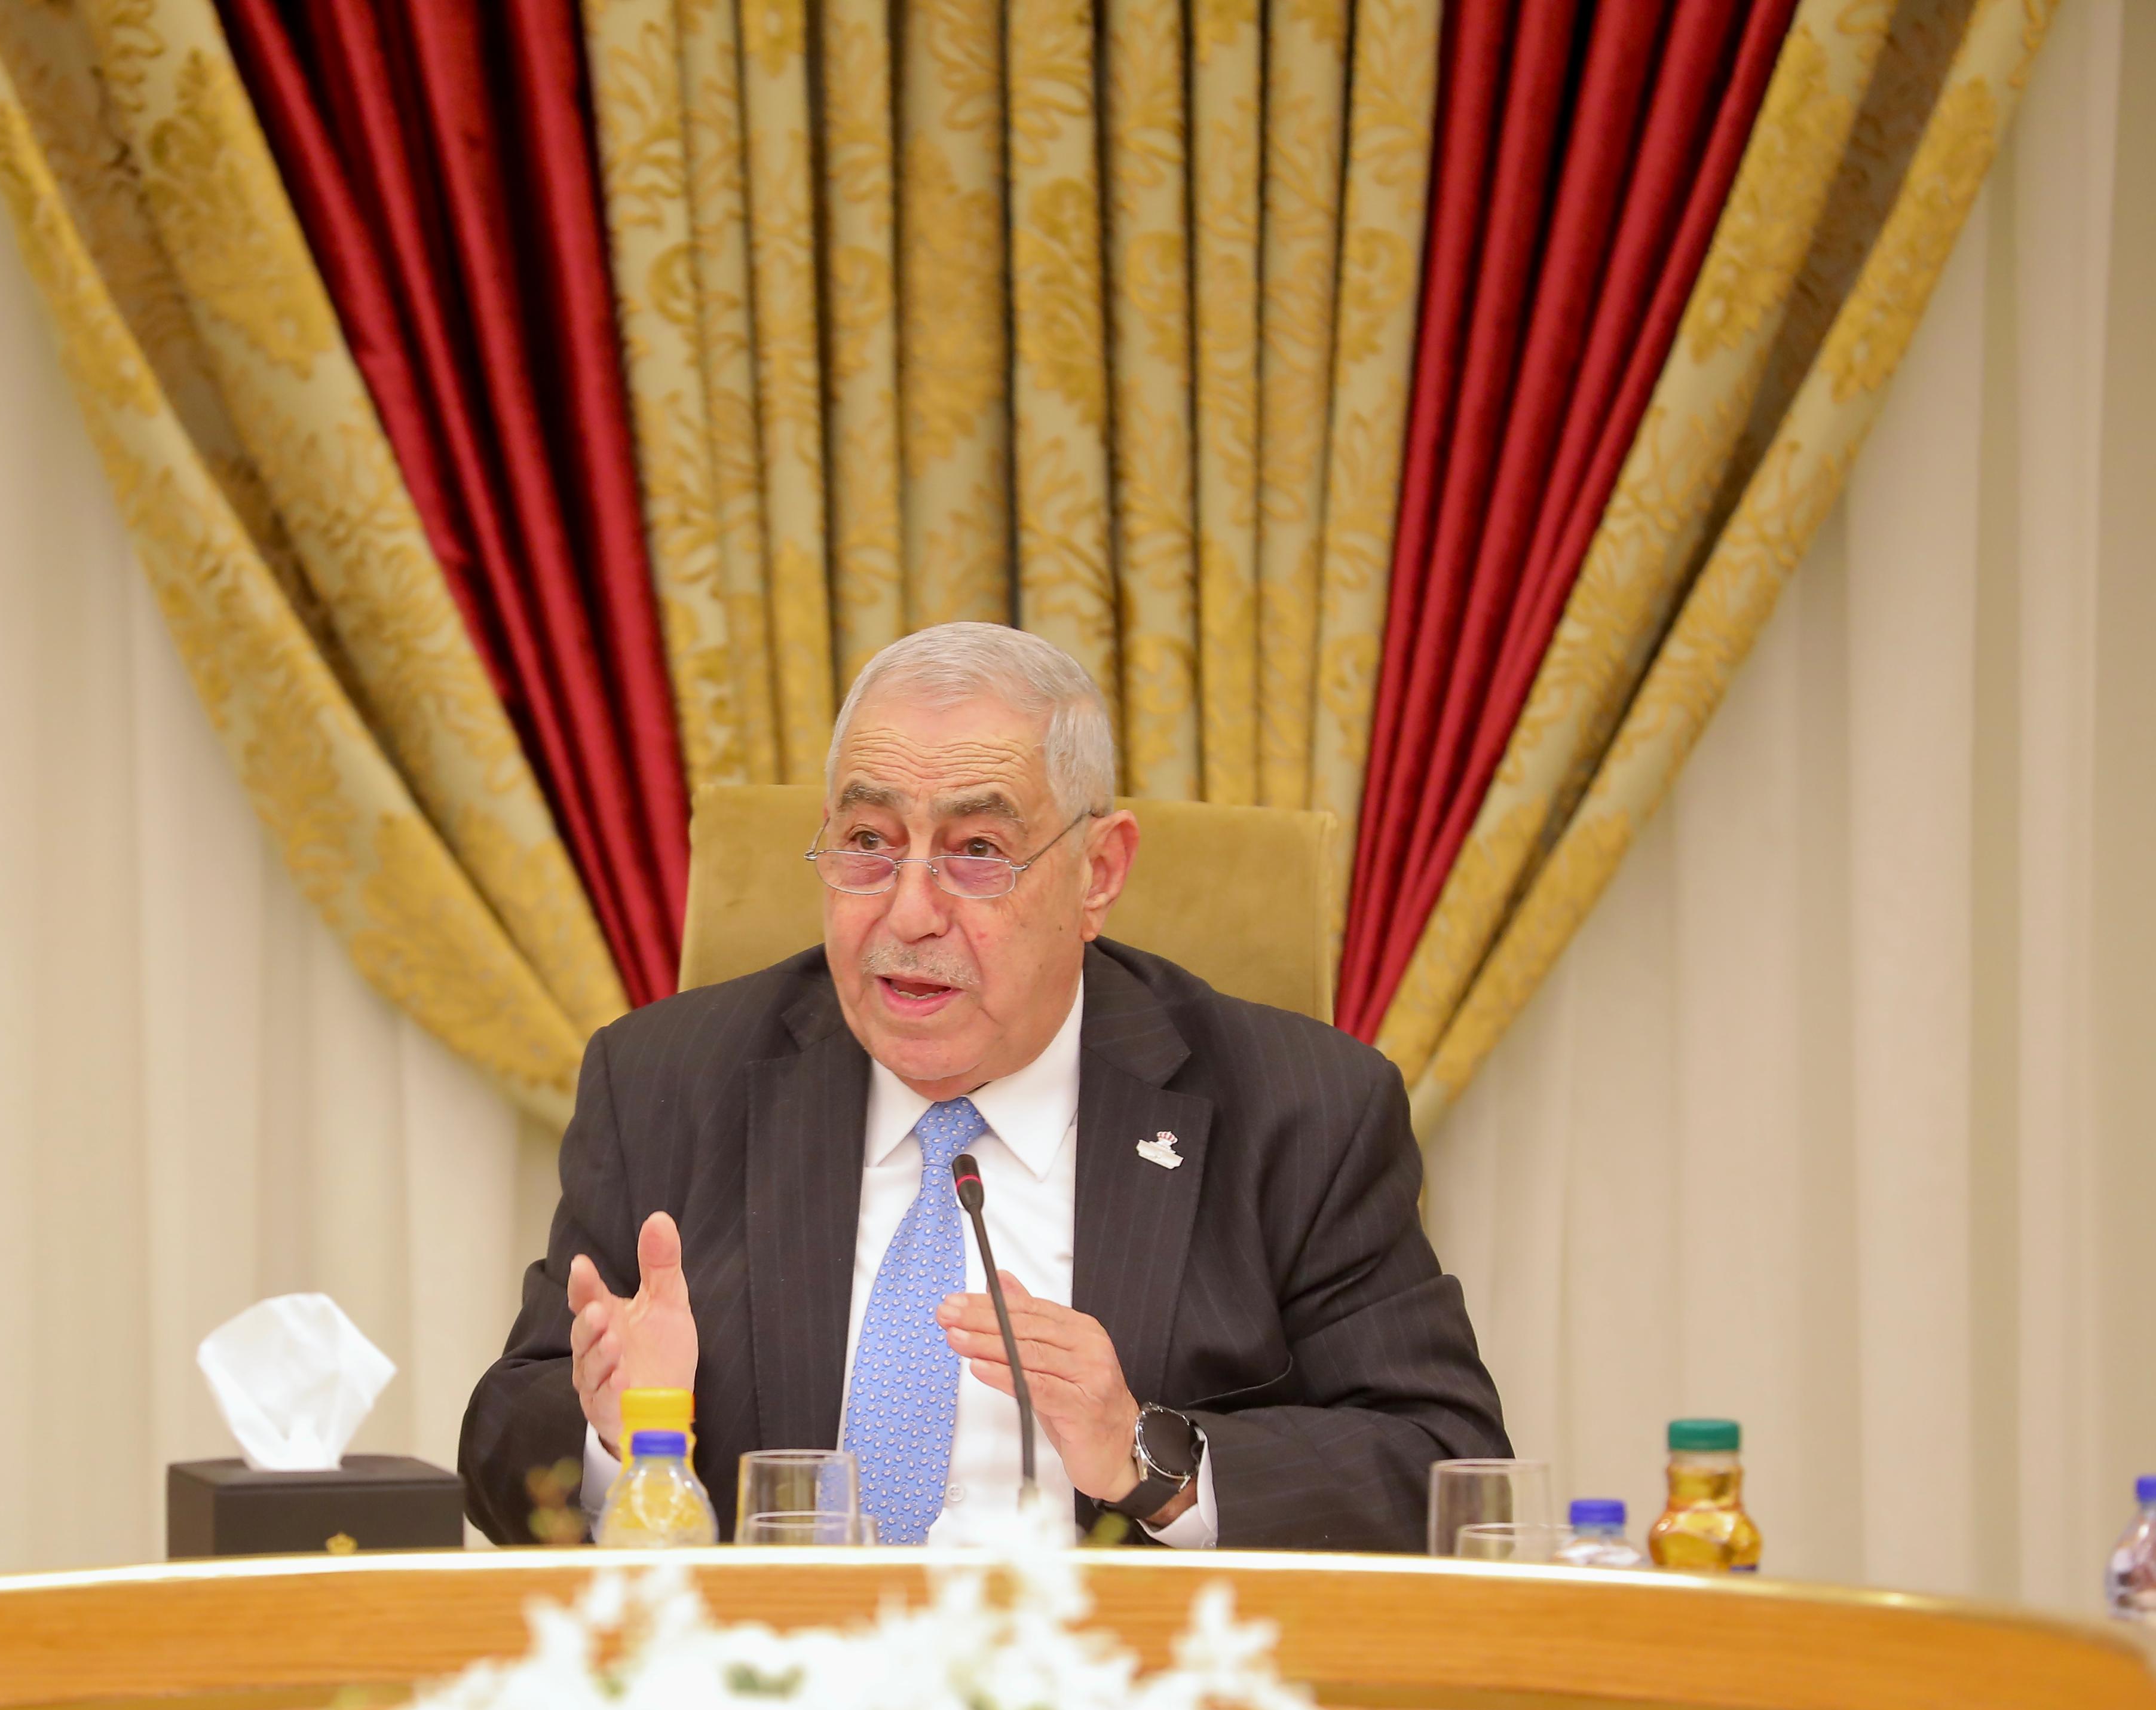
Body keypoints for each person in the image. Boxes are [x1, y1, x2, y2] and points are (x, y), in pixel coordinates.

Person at [462, 623, 1508, 1548]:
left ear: (1098, 873)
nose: (910, 913)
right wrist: (622, 1436)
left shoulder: (1300, 1111)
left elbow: (1446, 1464)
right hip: (766, 1685)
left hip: (1120, 1689)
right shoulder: (666, 1080)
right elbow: (505, 1439)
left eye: (976, 851)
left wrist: (1151, 1458)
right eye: (868, 843)